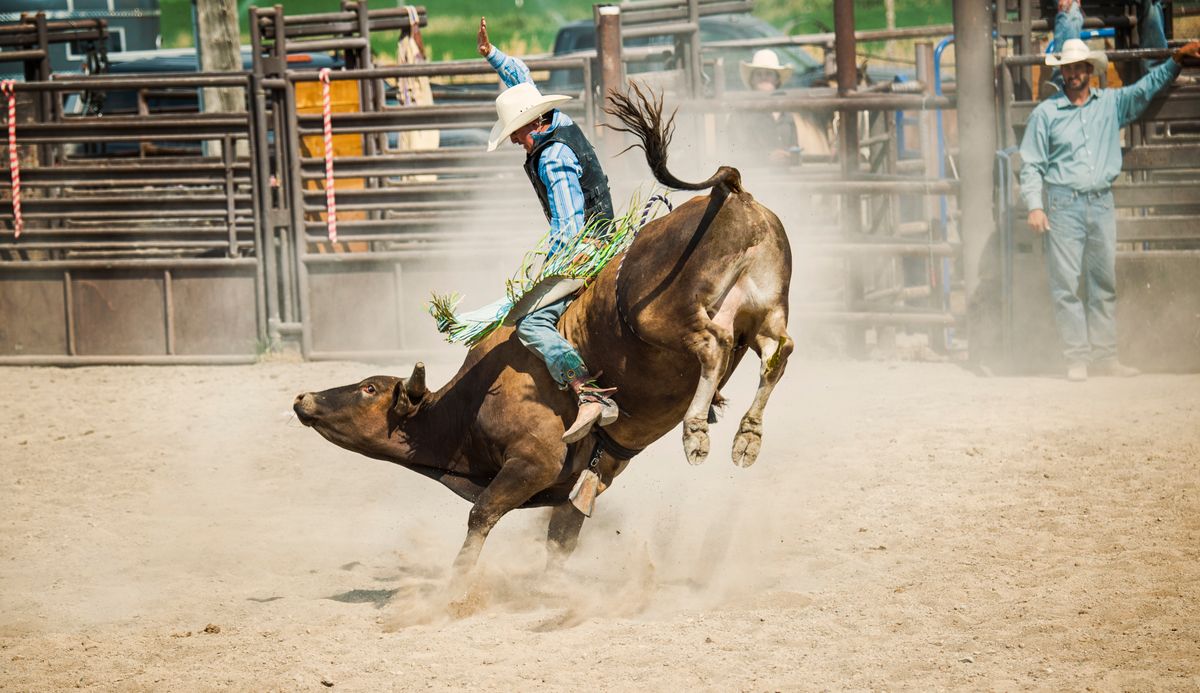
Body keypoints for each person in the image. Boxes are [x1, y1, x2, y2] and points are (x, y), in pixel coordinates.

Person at [1019, 2, 1200, 382]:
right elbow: (1032, 164)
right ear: (1063, 73)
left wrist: (1175, 61)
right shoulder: (1046, 114)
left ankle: (1103, 356)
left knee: (1102, 283)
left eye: (1078, 68)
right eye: (1067, 69)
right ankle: (1077, 357)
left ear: (1089, 71)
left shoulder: (1110, 104)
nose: (1073, 75)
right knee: (1066, 285)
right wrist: (1035, 207)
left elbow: (1146, 87)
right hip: (1064, 204)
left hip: (1099, 202)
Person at [477, 17, 619, 442]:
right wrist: (493, 56)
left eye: (517, 133)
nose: (518, 141)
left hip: (587, 248)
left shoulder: (552, 156)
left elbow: (569, 225)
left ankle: (587, 392)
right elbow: (521, 79)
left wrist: (548, 269)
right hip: (607, 235)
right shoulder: (554, 120)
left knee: (531, 324)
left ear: (533, 125)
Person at [731, 49, 832, 162]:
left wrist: (790, 155)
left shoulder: (786, 111)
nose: (763, 77)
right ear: (752, 80)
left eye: (768, 73)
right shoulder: (741, 112)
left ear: (777, 79)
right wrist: (766, 157)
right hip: (756, 174)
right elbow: (734, 151)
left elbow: (794, 146)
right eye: (758, 74)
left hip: (785, 173)